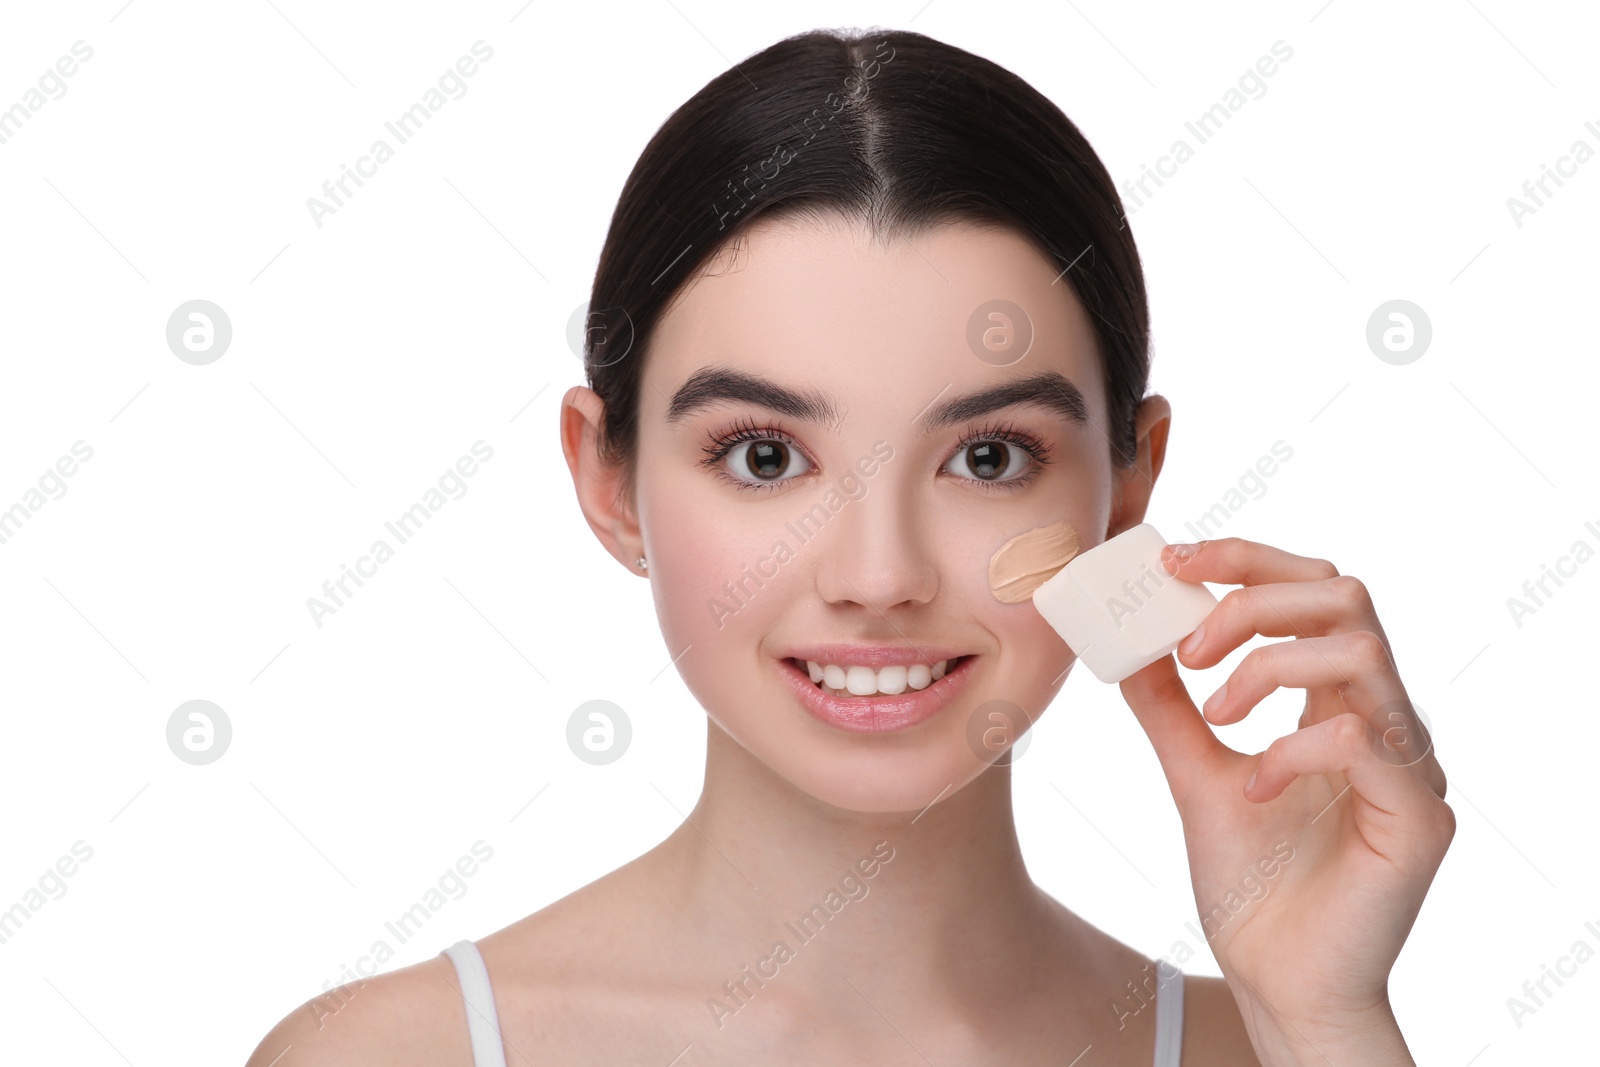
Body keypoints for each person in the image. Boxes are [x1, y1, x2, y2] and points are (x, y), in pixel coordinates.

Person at [246, 26, 1452, 1066]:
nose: (878, 577)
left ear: (1128, 484)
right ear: (605, 478)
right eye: (765, 456)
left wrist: (1324, 1020)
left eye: (986, 457)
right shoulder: (392, 1053)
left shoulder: (1277, 1041)